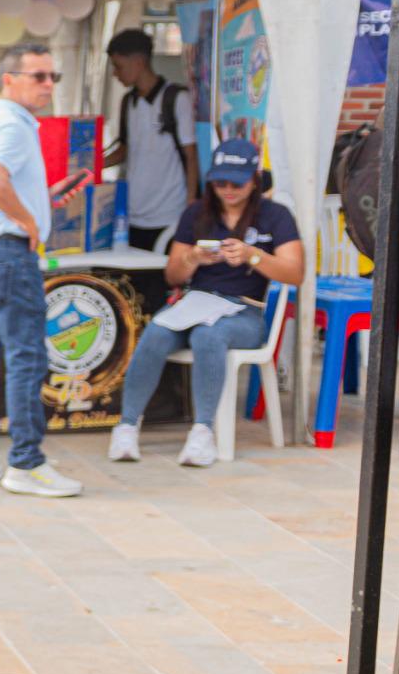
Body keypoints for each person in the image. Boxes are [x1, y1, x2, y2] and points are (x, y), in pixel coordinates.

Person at [106, 139, 304, 468]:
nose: (227, 190)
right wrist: (194, 258)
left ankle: (203, 431)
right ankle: (127, 425)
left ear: (254, 179)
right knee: (155, 331)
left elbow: (295, 273)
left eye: (235, 183)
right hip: (197, 302)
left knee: (208, 336)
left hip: (246, 309)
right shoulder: (197, 213)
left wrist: (252, 255)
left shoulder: (275, 215)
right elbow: (172, 274)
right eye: (219, 182)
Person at [0, 43, 88, 497]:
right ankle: (26, 462)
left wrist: (40, 201)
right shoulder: (11, 124)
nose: (48, 85)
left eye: (53, 76)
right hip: (8, 253)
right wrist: (29, 220)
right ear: (9, 79)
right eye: (39, 76)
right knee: (26, 358)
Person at [104, 28, 199, 249]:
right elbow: (124, 149)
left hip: (169, 214)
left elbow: (191, 154)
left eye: (118, 66)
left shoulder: (176, 99)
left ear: (138, 62)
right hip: (133, 213)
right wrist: (91, 165)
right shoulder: (128, 102)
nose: (115, 74)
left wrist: (190, 204)